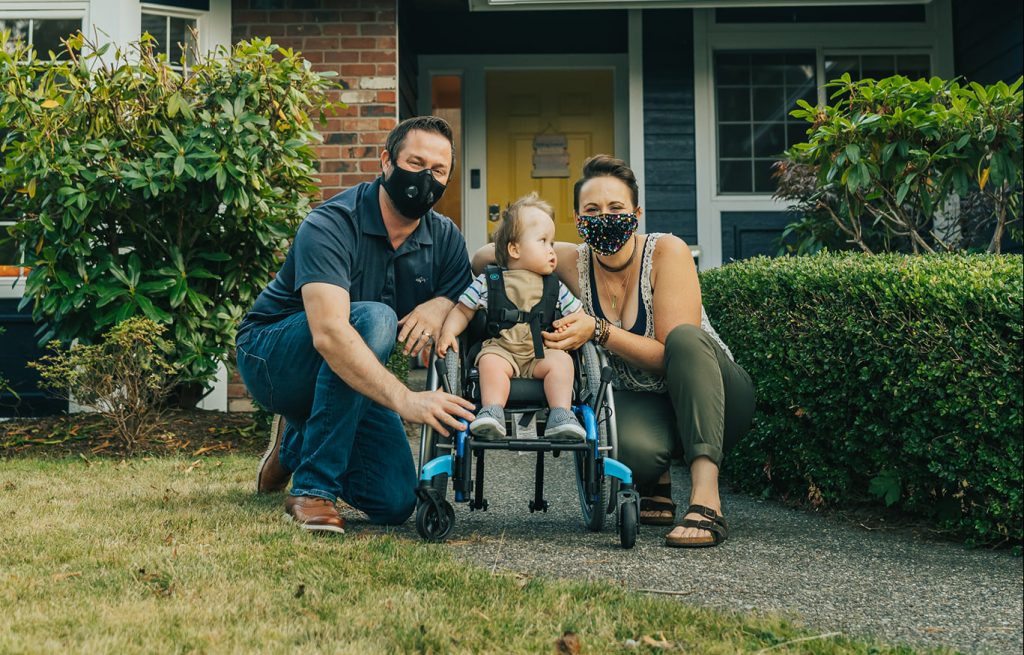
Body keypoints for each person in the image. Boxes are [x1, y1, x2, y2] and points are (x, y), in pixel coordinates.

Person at [472, 155, 755, 548]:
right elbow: (485, 255)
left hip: (717, 397)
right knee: (623, 452)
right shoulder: (571, 261)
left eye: (616, 208)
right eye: (592, 210)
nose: (604, 218)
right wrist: (521, 248)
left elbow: (667, 357)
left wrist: (599, 330)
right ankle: (655, 479)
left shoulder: (665, 252)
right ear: (578, 218)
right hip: (646, 400)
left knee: (684, 340)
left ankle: (706, 497)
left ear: (636, 213)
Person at [235, 116, 476, 535]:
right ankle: (312, 490)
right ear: (386, 161)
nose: (426, 178)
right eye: (415, 163)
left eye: (438, 171)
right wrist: (405, 399)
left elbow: (471, 291)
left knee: (395, 500)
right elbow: (329, 333)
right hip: (273, 358)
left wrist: (440, 304)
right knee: (375, 317)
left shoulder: (446, 238)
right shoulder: (331, 223)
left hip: (346, 376)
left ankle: (294, 441)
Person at [436, 193, 586, 442]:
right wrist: (449, 332)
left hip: (540, 353)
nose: (552, 250)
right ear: (514, 249)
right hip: (503, 349)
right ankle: (492, 411)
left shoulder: (554, 286)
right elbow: (463, 310)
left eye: (552, 242)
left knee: (562, 363)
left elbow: (577, 317)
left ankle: (561, 414)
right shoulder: (489, 280)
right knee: (490, 363)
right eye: (544, 242)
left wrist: (567, 332)